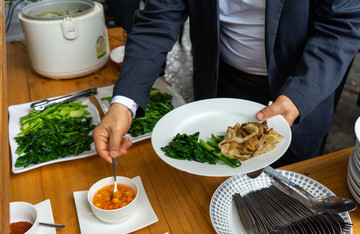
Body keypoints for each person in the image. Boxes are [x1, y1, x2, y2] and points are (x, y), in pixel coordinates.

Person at [93, 0, 360, 168]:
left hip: (300, 90)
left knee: (292, 192)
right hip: (222, 86)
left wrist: (297, 96)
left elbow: (341, 27)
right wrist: (124, 103)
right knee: (220, 183)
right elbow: (157, 21)